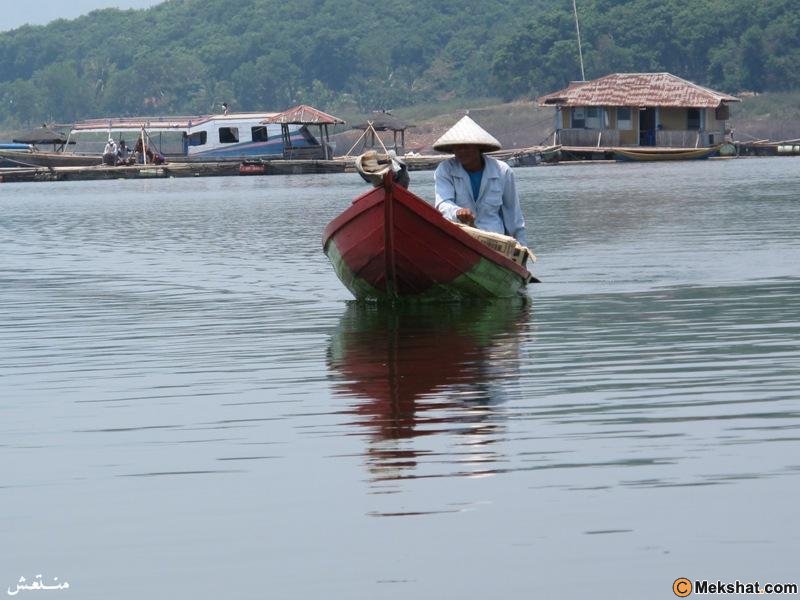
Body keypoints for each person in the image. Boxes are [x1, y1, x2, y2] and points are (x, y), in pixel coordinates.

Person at [432, 115, 527, 246]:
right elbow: (443, 203)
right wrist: (457, 212)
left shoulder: (502, 171)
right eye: (458, 147)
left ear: (478, 147)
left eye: (467, 146)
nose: (462, 151)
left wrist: (521, 248)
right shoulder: (445, 170)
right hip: (460, 239)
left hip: (495, 241)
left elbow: (513, 215)